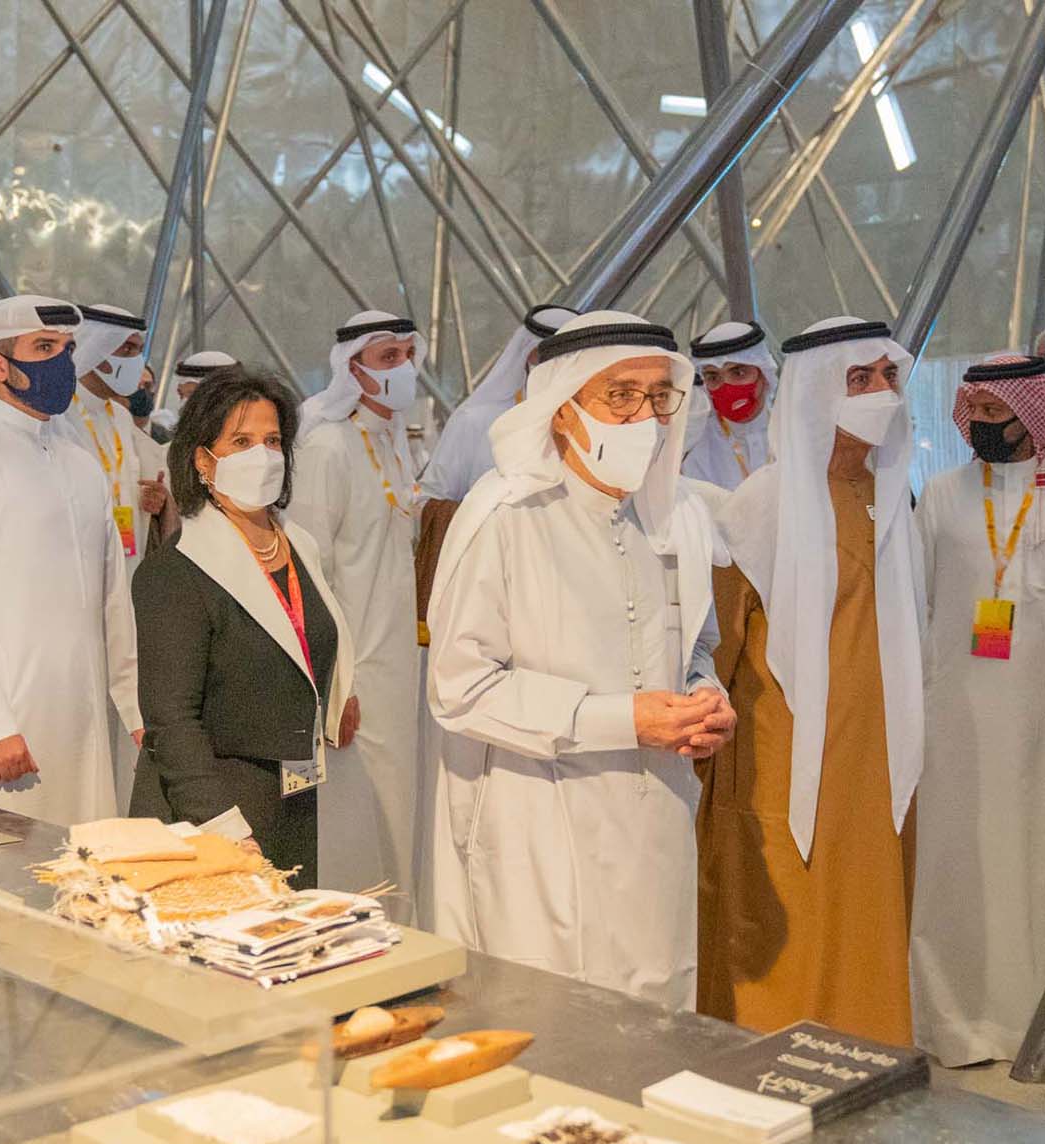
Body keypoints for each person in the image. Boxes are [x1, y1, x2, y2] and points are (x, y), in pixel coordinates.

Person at [426, 312, 732, 1008]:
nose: (645, 417)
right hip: (541, 822)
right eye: (620, 395)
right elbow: (460, 688)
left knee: (658, 1011)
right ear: (563, 411)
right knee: (559, 1024)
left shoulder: (678, 514)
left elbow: (697, 646)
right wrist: (623, 720)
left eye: (659, 397)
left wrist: (706, 698)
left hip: (656, 818)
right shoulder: (504, 515)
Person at [698, 316, 923, 1046]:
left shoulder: (890, 494)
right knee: (786, 907)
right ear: (817, 392)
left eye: (888, 376)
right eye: (859, 379)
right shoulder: (762, 502)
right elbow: (716, 647)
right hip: (783, 752)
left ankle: (869, 1049)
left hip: (875, 757)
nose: (880, 391)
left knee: (866, 903)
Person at [0, 295, 141, 825]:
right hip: (4, 724)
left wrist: (133, 702)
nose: (62, 362)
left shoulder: (80, 463)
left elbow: (113, 598)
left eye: (67, 349)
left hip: (80, 712)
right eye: (43, 348)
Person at [131, 366, 355, 886]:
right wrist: (225, 827)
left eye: (272, 441)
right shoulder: (176, 571)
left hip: (292, 796)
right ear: (203, 460)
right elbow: (171, 722)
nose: (263, 455)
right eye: (242, 441)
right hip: (210, 814)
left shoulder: (298, 546)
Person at [911, 354, 1045, 1066]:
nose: (985, 426)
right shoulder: (942, 494)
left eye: (1000, 413)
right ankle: (960, 1021)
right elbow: (916, 601)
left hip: (1036, 718)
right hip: (958, 715)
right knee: (960, 859)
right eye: (979, 413)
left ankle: (1029, 1024)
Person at [286, 310, 423, 917]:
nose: (404, 368)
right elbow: (306, 574)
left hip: (397, 669)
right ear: (352, 368)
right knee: (352, 817)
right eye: (388, 357)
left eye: (407, 356)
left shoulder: (393, 442)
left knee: (396, 812)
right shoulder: (327, 447)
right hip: (352, 673)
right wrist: (331, 683)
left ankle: (401, 931)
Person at [415, 303, 577, 637]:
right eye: (552, 357)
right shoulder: (475, 421)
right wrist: (488, 522)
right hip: (485, 588)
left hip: (565, 591)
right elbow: (428, 501)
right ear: (530, 356)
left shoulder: (588, 426)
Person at [66, 305, 177, 572]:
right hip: (77, 562)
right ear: (95, 350)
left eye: (139, 351)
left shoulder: (120, 417)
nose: (135, 361)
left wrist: (148, 499)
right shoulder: (60, 414)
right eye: (127, 349)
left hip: (127, 558)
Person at [682, 321, 777, 492]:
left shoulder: (793, 431)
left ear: (763, 374)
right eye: (713, 377)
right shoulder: (693, 446)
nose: (726, 386)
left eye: (738, 373)